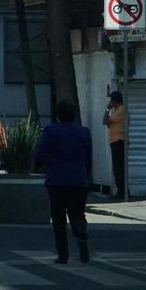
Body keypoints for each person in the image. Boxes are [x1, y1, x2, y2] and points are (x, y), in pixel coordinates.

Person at [34, 99, 92, 264]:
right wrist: (86, 176)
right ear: (74, 115)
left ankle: (63, 254)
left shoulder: (51, 131)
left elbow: (41, 152)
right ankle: (81, 235)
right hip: (79, 180)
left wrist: (36, 165)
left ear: (58, 115)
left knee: (58, 217)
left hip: (56, 180)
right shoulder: (84, 132)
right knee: (77, 213)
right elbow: (88, 158)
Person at [103, 90, 126, 199]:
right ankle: (122, 190)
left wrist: (107, 108)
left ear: (114, 101)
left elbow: (105, 121)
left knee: (118, 168)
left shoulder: (120, 111)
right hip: (119, 141)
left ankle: (121, 192)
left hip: (118, 141)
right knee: (120, 167)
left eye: (111, 101)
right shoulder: (120, 110)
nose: (110, 103)